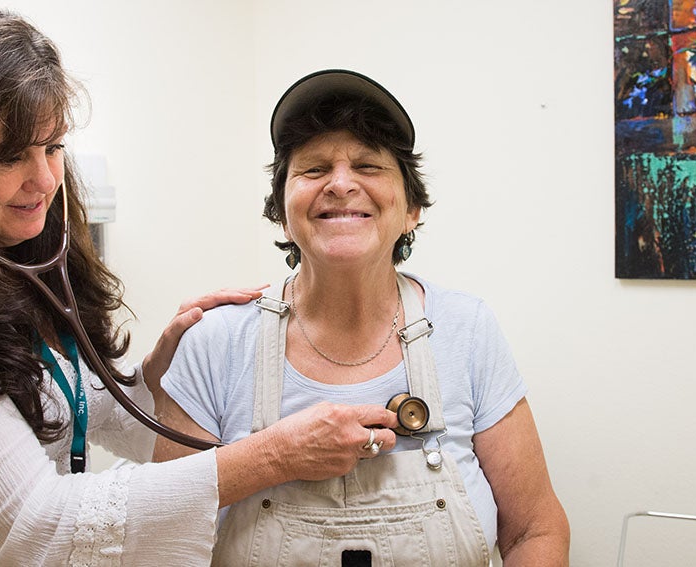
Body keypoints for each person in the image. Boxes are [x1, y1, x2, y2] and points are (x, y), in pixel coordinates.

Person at [0, 8, 400, 566]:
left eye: (53, 147)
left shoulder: (13, 264)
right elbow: (38, 526)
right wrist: (275, 456)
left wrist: (154, 374)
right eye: (6, 155)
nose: (44, 180)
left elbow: (75, 413)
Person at [154, 69, 570, 566]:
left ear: (411, 209)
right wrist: (273, 458)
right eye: (313, 169)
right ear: (283, 213)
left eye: (369, 165)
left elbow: (534, 531)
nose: (341, 184)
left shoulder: (468, 329)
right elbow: (162, 533)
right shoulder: (215, 341)